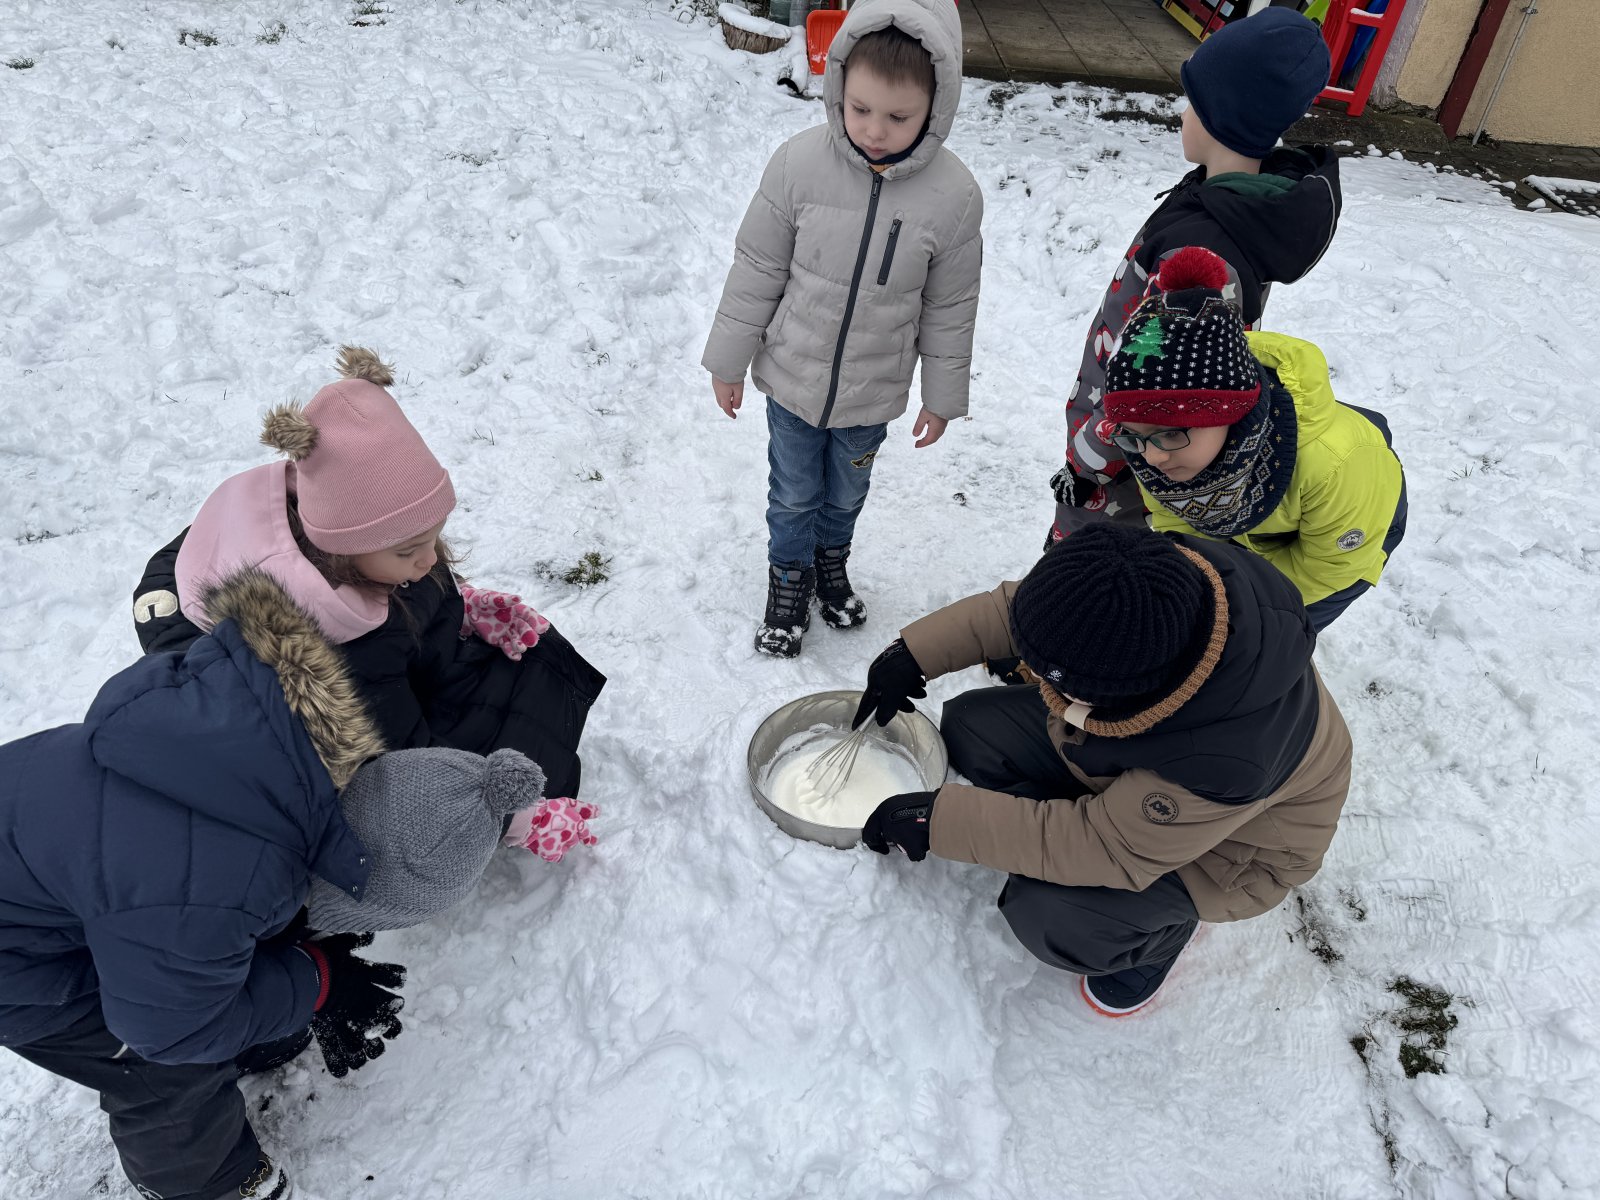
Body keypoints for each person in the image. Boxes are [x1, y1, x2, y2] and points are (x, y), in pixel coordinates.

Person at [2, 569, 411, 1200]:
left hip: (59, 883)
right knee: (159, 1059)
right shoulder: (216, 879)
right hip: (15, 967)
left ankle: (246, 1034)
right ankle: (204, 1184)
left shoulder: (216, 739)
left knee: (192, 967)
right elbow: (171, 1028)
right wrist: (315, 982)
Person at [851, 524, 1353, 1017]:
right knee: (971, 727)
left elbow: (1106, 848)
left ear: (1115, 688)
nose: (1031, 672)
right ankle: (1075, 816)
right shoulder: (1153, 580)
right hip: (1146, 754)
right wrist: (914, 654)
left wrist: (941, 821)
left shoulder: (1228, 760)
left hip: (1223, 855)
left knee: (1052, 916)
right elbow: (1030, 611)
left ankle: (1159, 939)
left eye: (1050, 675)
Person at [130, 345, 605, 798]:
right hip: (373, 736)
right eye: (409, 551)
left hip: (411, 671)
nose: (429, 560)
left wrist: (460, 605)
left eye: (435, 538)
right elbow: (401, 761)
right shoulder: (347, 645)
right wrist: (501, 811)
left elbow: (414, 575)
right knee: (526, 753)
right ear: (344, 550)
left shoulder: (366, 542)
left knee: (536, 664)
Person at [702, 0, 982, 656]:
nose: (875, 131)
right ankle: (788, 578)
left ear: (937, 106)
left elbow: (951, 305)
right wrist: (728, 360)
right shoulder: (798, 165)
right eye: (860, 109)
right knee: (794, 494)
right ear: (838, 85)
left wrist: (942, 397)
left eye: (899, 117)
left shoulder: (954, 197)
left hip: (872, 393)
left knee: (847, 492)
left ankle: (831, 562)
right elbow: (757, 267)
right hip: (792, 380)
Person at [1049, 7, 1339, 545]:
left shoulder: (1203, 252)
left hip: (1128, 474)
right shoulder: (1228, 201)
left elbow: (1161, 395)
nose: (1183, 114)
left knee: (1088, 577)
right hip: (1128, 453)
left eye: (1193, 102)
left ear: (1222, 116)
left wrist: (1087, 464)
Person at [1102, 246, 1405, 630]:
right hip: (1254, 522)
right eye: (1132, 437)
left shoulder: (1335, 465)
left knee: (1278, 629)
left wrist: (1236, 598)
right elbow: (1174, 519)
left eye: (1171, 433)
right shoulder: (1159, 446)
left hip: (1349, 532)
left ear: (1231, 413)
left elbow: (1329, 568)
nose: (1151, 458)